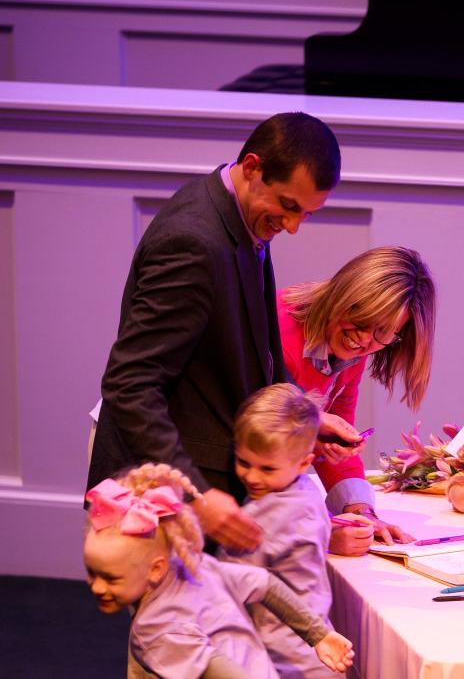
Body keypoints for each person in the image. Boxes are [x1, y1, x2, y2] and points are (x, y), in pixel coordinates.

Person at [87, 112, 357, 553]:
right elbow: (130, 383)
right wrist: (196, 492)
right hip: (170, 493)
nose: (292, 226)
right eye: (289, 206)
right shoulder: (193, 241)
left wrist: (306, 417)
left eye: (306, 214)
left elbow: (249, 349)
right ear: (252, 167)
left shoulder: (242, 218)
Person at [83, 463, 354, 677]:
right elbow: (265, 584)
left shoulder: (156, 630)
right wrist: (318, 634)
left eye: (110, 578)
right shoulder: (196, 566)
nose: (96, 587)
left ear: (156, 569)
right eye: (92, 573)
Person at [279, 246, 436, 555]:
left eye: (383, 334)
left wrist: (362, 513)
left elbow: (337, 428)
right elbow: (254, 440)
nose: (364, 340)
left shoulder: (352, 349)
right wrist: (321, 533)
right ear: (343, 294)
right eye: (361, 321)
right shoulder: (280, 329)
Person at [218, 383, 361, 677]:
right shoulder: (307, 491)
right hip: (317, 651)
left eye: (267, 469)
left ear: (304, 463)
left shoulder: (259, 515)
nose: (251, 477)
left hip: (282, 657)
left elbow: (228, 582)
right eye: (243, 462)